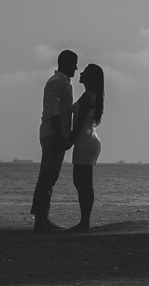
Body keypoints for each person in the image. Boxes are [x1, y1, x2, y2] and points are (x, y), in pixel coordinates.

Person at [30, 49, 77, 232]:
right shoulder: (56, 82)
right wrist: (60, 136)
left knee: (50, 178)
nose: (75, 67)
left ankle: (44, 218)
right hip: (53, 135)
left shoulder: (64, 83)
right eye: (73, 63)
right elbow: (53, 111)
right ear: (64, 63)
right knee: (47, 177)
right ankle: (40, 221)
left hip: (55, 135)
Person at [66, 63, 104, 232]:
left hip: (85, 140)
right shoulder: (89, 95)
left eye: (85, 72)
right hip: (87, 139)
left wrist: (68, 142)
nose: (81, 73)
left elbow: (80, 122)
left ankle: (84, 222)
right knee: (82, 181)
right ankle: (84, 221)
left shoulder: (89, 95)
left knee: (83, 182)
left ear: (91, 77)